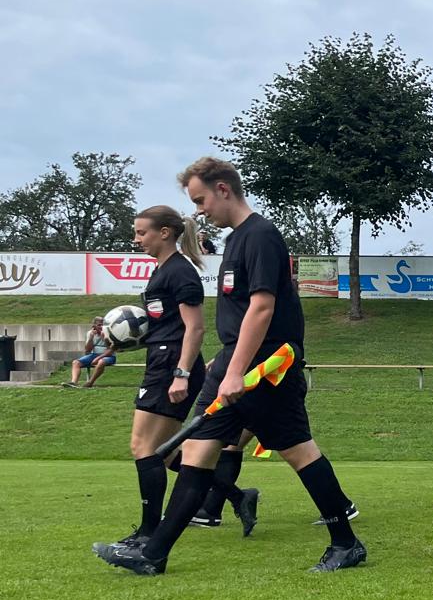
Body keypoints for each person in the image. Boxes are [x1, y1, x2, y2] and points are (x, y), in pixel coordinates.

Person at [94, 156, 364, 574]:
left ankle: (346, 544)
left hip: (266, 368)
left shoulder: (260, 236)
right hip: (232, 361)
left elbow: (262, 308)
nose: (198, 211)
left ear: (223, 189)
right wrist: (226, 368)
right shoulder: (236, 239)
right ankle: (153, 554)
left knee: (299, 451)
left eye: (200, 200)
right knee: (197, 451)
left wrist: (236, 372)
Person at [114, 206, 208, 548]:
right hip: (161, 361)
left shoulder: (180, 271)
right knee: (165, 453)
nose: (136, 239)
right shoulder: (162, 271)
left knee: (143, 447)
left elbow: (195, 328)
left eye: (142, 232)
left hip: (172, 367)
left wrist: (182, 374)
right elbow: (166, 326)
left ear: (164, 233)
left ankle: (149, 532)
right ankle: (237, 495)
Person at [69, 318, 117, 387]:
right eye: (99, 325)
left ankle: (90, 383)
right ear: (94, 326)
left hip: (109, 356)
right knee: (75, 362)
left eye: (103, 325)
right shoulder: (90, 333)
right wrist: (91, 338)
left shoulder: (109, 333)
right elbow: (87, 350)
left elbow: (111, 350)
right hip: (94, 355)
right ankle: (73, 382)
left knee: (101, 362)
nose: (101, 327)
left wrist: (104, 338)